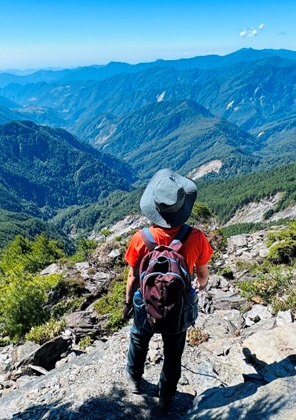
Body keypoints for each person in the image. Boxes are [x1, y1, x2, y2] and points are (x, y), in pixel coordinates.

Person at [122, 168, 213, 412]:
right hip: (178, 303)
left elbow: (133, 277)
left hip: (145, 301)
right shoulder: (196, 237)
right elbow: (202, 274)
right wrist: (200, 287)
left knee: (139, 337)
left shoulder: (141, 238)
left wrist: (128, 302)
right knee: (174, 349)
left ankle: (134, 378)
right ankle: (166, 396)